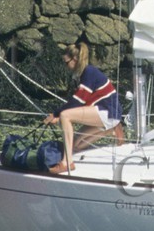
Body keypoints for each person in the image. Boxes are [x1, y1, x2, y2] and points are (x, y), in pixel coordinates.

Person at [44, 41, 122, 174]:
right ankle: (111, 129)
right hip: (108, 114)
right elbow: (82, 101)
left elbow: (78, 101)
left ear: (75, 59)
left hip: (107, 112)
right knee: (75, 145)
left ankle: (66, 162)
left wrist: (56, 114)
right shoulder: (83, 74)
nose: (65, 66)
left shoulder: (89, 72)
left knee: (65, 116)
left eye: (66, 62)